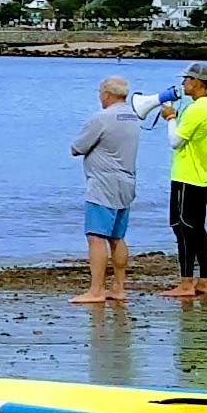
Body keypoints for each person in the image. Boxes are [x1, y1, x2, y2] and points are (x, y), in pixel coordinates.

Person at [70, 75, 153, 306]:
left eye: (100, 92)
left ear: (107, 94)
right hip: (126, 182)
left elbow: (77, 147)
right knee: (117, 237)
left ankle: (96, 290)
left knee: (96, 238)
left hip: (103, 184)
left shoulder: (102, 118)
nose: (99, 96)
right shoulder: (133, 117)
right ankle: (118, 287)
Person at [163, 63, 207, 299]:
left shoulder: (196, 110)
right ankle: (205, 280)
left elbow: (175, 141)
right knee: (198, 229)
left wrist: (171, 118)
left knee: (182, 227)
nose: (183, 83)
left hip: (186, 177)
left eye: (186, 79)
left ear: (197, 82)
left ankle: (185, 283)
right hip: (203, 177)